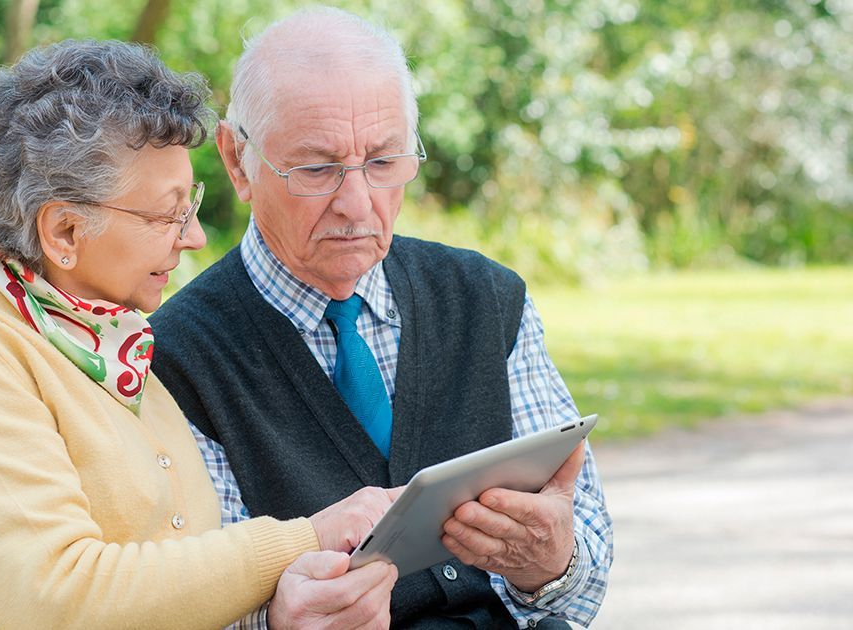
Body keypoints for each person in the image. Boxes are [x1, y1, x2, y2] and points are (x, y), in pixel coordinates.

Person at [0, 39, 400, 629]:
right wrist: (304, 540)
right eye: (167, 214)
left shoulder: (110, 346)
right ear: (65, 231)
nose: (194, 237)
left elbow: (169, 589)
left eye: (192, 205)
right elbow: (63, 599)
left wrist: (280, 614)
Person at [149, 8, 614, 629]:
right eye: (318, 168)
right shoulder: (178, 356)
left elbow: (585, 574)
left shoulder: (486, 300)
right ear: (238, 162)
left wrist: (552, 564)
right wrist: (274, 622)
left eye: (384, 161)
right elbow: (191, 597)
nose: (357, 202)